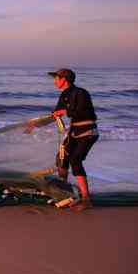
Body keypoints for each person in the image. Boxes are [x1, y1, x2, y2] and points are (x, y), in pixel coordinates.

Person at [46, 68, 98, 211]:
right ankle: (64, 191)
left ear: (64, 79)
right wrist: (35, 124)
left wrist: (65, 112)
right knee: (62, 158)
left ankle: (86, 199)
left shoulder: (81, 93)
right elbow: (57, 112)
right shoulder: (64, 95)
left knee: (75, 160)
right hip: (74, 132)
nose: (54, 81)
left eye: (56, 78)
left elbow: (83, 111)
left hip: (88, 131)